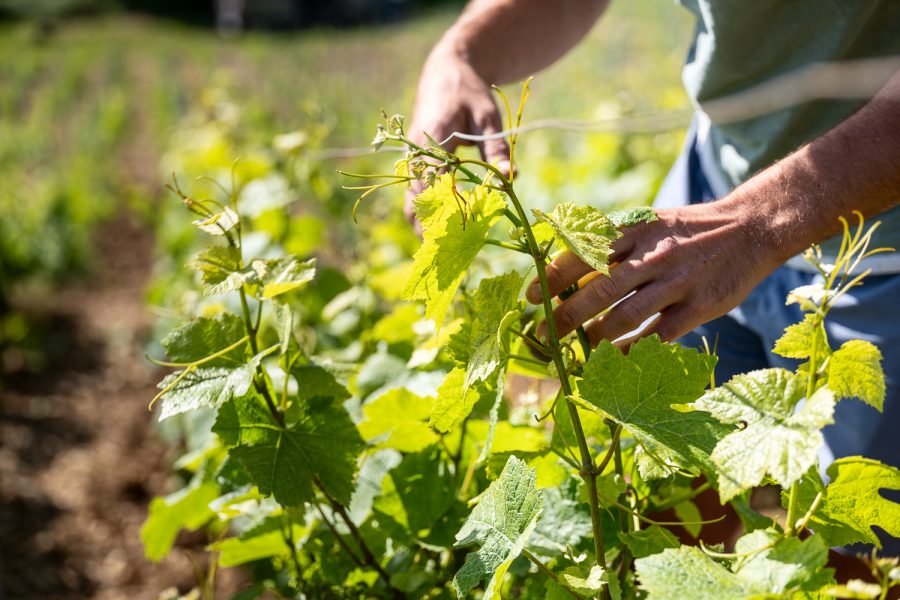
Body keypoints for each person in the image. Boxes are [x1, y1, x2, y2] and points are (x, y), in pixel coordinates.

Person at [406, 0, 900, 551]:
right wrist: (462, 52)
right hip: (711, 186)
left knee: (858, 555)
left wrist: (754, 224)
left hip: (883, 261)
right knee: (676, 514)